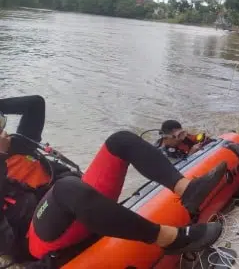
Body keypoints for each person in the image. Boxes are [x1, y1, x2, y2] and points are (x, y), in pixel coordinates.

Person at [0, 97, 226, 263]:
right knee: (65, 188)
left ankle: (188, 190)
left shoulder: (18, 145)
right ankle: (171, 239)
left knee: (120, 141)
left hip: (78, 205)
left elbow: (35, 104)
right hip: (37, 237)